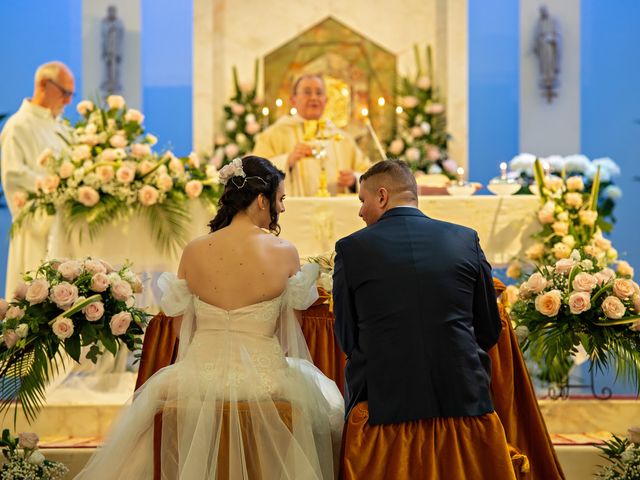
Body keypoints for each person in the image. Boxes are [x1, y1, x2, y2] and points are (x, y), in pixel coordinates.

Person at [75, 156, 344, 479]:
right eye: (280, 199)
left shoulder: (194, 250)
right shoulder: (284, 251)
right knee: (329, 409)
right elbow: (291, 330)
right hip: (265, 377)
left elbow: (178, 327)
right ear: (262, 200)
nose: (282, 209)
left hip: (197, 375)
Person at [332, 160, 516, 479]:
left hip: (385, 408)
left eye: (362, 200)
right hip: (463, 402)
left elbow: (348, 337)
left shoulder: (352, 249)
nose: (360, 212)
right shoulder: (465, 240)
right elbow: (488, 328)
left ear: (382, 196)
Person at [0, 61, 74, 299]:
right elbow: (13, 175)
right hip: (35, 230)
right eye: (64, 93)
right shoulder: (18, 126)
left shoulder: (62, 128)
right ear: (44, 84)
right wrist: (53, 186)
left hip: (66, 227)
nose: (68, 101)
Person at [253, 74, 370, 196]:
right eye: (307, 92)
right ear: (293, 100)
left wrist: (354, 180)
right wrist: (287, 161)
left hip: (335, 210)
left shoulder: (343, 139)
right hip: (294, 211)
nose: (314, 97)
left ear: (326, 100)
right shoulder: (274, 134)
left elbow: (368, 174)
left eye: (319, 93)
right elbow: (255, 173)